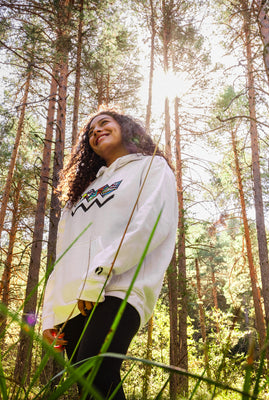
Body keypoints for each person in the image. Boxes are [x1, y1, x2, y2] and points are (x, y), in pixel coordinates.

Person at [41, 108, 178, 399]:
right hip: (74, 302)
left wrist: (100, 272)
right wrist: (50, 316)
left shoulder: (151, 167)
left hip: (120, 287)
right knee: (87, 385)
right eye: (90, 132)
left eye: (104, 123)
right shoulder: (81, 192)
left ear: (126, 128)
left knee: (97, 370)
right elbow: (63, 255)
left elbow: (151, 224)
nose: (96, 132)